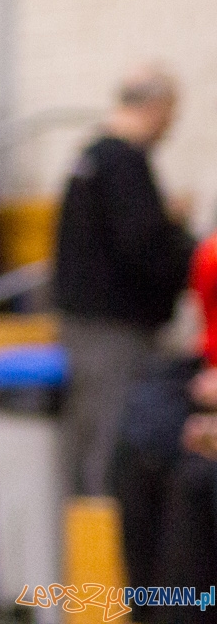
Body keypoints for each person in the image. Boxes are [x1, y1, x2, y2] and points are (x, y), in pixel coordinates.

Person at [54, 63, 196, 496]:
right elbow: (141, 247)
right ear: (153, 107)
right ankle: (99, 555)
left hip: (84, 322)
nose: (170, 127)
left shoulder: (92, 157)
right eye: (170, 114)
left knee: (88, 437)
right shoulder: (125, 163)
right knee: (110, 444)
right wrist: (183, 245)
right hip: (114, 329)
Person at [110, 231, 217, 622]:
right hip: (201, 379)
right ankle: (151, 612)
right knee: (141, 446)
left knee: (195, 481)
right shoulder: (211, 253)